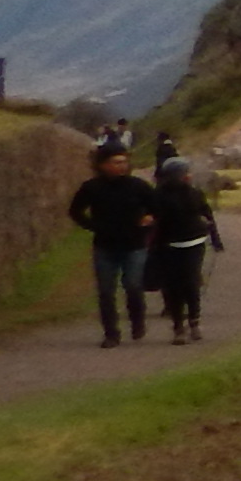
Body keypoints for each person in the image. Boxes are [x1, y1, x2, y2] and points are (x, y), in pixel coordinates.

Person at [70, 142, 161, 346]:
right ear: (103, 164)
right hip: (105, 246)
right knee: (105, 291)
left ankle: (137, 321)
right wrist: (94, 226)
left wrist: (149, 220)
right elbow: (75, 211)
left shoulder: (138, 186)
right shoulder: (92, 187)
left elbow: (157, 208)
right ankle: (111, 333)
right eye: (116, 162)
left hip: (134, 245)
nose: (121, 166)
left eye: (124, 162)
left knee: (133, 286)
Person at [144, 155, 225, 344]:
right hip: (169, 245)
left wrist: (215, 238)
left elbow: (207, 215)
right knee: (173, 286)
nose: (188, 176)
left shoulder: (194, 193)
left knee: (190, 282)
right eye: (185, 173)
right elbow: (153, 220)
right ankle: (178, 325)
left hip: (193, 242)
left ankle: (193, 321)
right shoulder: (159, 196)